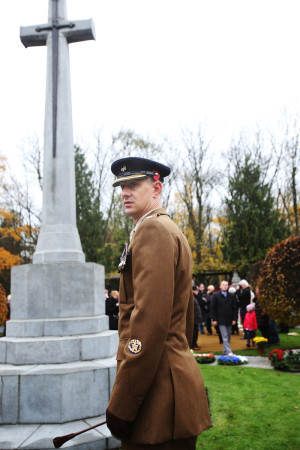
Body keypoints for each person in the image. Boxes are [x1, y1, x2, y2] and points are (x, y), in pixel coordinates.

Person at [106, 157, 211, 450]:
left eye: (133, 185)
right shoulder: (167, 229)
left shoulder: (152, 232)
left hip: (158, 400)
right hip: (168, 388)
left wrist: (123, 405)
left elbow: (147, 327)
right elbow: (186, 319)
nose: (125, 192)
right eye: (122, 186)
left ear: (156, 188)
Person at [211, 280, 237, 355]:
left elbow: (234, 308)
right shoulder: (215, 295)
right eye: (223, 285)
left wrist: (234, 319)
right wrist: (214, 319)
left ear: (228, 286)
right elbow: (212, 308)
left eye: (226, 285)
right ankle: (229, 352)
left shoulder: (231, 296)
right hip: (220, 319)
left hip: (229, 319)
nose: (225, 286)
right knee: (224, 336)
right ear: (220, 286)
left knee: (228, 337)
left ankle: (225, 352)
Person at [192, 285, 202, 350]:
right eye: (196, 290)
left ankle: (195, 344)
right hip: (193, 318)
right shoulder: (191, 297)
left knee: (196, 332)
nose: (197, 291)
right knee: (194, 332)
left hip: (196, 318)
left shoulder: (195, 297)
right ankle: (193, 345)